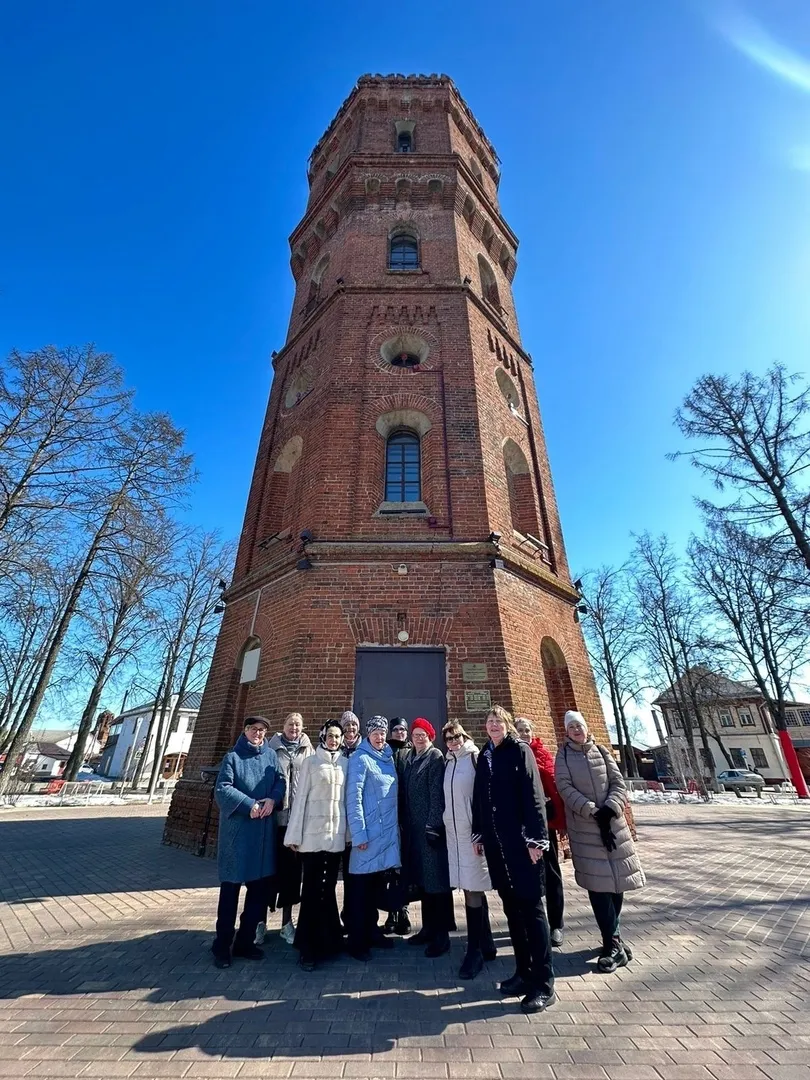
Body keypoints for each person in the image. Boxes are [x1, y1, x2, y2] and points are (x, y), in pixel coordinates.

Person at [472, 705, 556, 1014]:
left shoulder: (519, 751)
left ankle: (544, 984)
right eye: (490, 721)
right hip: (497, 845)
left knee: (532, 910)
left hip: (522, 845)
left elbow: (532, 794)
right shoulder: (486, 755)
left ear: (508, 725)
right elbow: (479, 796)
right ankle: (523, 972)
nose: (494, 725)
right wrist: (478, 832)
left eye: (499, 721)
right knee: (512, 909)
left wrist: (536, 838)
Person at [554, 710, 645, 973]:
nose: (576, 731)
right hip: (586, 828)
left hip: (613, 826)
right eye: (571, 727)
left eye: (579, 726)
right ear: (566, 731)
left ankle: (613, 938)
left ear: (586, 727)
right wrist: (590, 809)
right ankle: (613, 942)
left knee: (618, 884)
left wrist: (611, 807)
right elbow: (564, 786)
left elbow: (618, 783)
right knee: (598, 886)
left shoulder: (602, 751)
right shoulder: (564, 755)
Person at [212, 716, 286, 968]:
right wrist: (249, 805)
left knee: (258, 894)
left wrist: (272, 800)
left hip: (263, 833)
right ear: (245, 731)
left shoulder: (270, 757)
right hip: (239, 834)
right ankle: (222, 945)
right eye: (254, 729)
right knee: (230, 893)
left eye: (263, 730)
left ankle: (245, 941)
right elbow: (222, 788)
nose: (258, 734)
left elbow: (280, 781)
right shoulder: (232, 757)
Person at [284, 721, 349, 971]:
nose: (333, 740)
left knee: (329, 889)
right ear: (323, 736)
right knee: (311, 890)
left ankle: (330, 940)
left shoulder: (345, 763)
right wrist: (294, 836)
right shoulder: (310, 762)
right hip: (311, 838)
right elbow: (300, 801)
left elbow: (347, 802)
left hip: (334, 838)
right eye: (330, 735)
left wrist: (349, 835)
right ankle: (308, 946)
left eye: (337, 736)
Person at [442, 720, 496, 979]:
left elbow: (486, 796)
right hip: (455, 836)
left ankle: (474, 951)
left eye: (456, 737)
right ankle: (486, 943)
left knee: (473, 889)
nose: (453, 741)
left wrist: (482, 831)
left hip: (474, 836)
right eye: (448, 738)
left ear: (465, 736)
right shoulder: (449, 761)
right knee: (468, 887)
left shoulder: (475, 758)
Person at [345, 715, 401, 961]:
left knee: (375, 889)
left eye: (382, 732)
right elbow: (353, 799)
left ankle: (372, 932)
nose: (379, 736)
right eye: (375, 732)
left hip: (386, 835)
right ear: (368, 734)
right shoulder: (360, 758)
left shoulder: (388, 757)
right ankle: (357, 942)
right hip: (368, 836)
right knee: (360, 891)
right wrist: (359, 835)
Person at [400, 718, 454, 958]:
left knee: (437, 883)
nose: (419, 738)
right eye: (416, 734)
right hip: (415, 830)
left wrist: (434, 824)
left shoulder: (435, 758)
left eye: (424, 734)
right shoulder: (411, 758)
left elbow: (436, 793)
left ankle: (441, 936)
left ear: (431, 737)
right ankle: (428, 929)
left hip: (430, 830)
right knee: (424, 882)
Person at [515, 715, 567, 947]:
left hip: (544, 824)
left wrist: (558, 818)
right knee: (524, 875)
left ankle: (556, 924)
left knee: (552, 873)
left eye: (527, 730)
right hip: (519, 825)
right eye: (519, 730)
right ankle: (531, 922)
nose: (524, 734)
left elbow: (555, 787)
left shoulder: (543, 754)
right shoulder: (510, 754)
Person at [267, 712, 313, 944]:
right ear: (283, 726)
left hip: (296, 822)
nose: (294, 728)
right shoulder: (270, 748)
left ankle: (287, 923)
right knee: (267, 873)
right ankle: (259, 923)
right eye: (290, 724)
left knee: (292, 875)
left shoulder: (308, 749)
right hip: (274, 820)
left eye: (298, 724)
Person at [384, 717, 412, 936]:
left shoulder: (413, 751)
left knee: (404, 866)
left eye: (403, 728)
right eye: (396, 729)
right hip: (388, 816)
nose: (400, 732)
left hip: (407, 817)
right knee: (389, 868)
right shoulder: (384, 751)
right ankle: (390, 911)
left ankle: (403, 910)